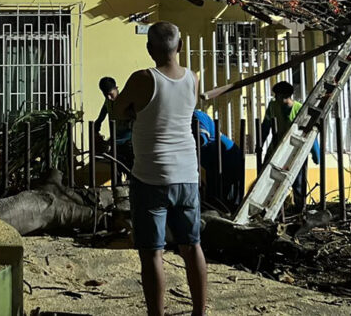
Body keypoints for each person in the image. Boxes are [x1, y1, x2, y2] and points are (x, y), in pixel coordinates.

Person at [113, 22, 206, 316]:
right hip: (187, 175)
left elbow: (117, 112)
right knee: (191, 246)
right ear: (179, 47)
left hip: (151, 177)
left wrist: (127, 108)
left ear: (149, 49)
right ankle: (200, 312)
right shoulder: (192, 78)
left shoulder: (142, 78)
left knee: (153, 252)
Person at [261, 81, 320, 213]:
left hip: (296, 151)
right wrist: (259, 144)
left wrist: (316, 153)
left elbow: (310, 133)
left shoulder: (300, 109)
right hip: (276, 149)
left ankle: (300, 210)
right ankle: (269, 209)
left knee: (298, 183)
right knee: (268, 178)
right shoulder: (272, 106)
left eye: (277, 96)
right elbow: (265, 126)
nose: (275, 98)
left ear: (285, 96)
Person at [193, 109, 242, 211]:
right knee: (212, 196)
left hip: (228, 158)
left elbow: (201, 140)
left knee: (221, 197)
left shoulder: (196, 115)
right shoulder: (181, 120)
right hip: (212, 163)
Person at [93, 76, 134, 173]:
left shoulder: (126, 102)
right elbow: (100, 118)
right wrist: (95, 130)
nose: (109, 98)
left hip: (128, 144)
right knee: (116, 171)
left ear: (116, 89)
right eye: (105, 95)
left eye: (111, 94)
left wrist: (113, 141)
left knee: (129, 171)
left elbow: (132, 129)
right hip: (116, 143)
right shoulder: (107, 101)